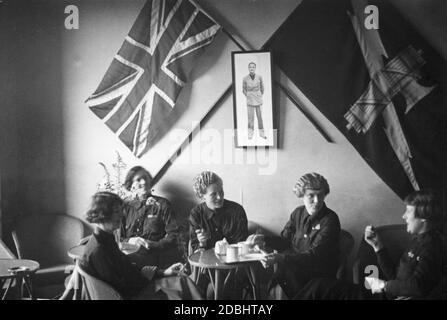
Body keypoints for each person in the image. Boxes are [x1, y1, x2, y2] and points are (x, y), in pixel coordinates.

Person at [295, 190, 445, 300]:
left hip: (386, 297)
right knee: (318, 285)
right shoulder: (418, 240)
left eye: (408, 212)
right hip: (384, 295)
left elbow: (418, 287)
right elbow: (396, 276)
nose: (404, 216)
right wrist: (377, 246)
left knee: (319, 289)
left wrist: (384, 286)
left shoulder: (433, 247)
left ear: (424, 218)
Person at [78, 191, 203, 300]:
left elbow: (128, 270)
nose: (121, 215)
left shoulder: (106, 240)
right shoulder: (98, 250)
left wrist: (164, 272)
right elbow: (121, 288)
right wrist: (153, 280)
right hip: (133, 295)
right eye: (116, 211)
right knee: (183, 284)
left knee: (183, 281)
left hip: (136, 288)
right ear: (103, 214)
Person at [250, 172, 341, 299]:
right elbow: (284, 241)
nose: (317, 201)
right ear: (301, 195)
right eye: (311, 196)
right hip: (294, 269)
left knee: (283, 273)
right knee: (280, 276)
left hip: (318, 276)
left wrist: (281, 258)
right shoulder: (297, 214)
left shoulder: (330, 219)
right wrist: (264, 240)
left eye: (320, 195)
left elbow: (315, 255)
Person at [189, 171, 249, 299]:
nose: (219, 197)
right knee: (207, 291)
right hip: (207, 270)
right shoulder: (196, 214)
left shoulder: (236, 211)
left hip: (234, 268)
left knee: (216, 291)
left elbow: (241, 244)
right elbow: (194, 252)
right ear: (202, 196)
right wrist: (201, 243)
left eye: (221, 192)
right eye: (213, 194)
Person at [120, 166, 181, 267]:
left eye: (146, 178)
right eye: (138, 179)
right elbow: (118, 237)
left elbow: (175, 235)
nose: (144, 182)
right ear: (131, 185)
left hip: (153, 256)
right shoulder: (125, 207)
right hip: (128, 254)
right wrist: (130, 241)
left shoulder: (163, 204)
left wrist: (155, 245)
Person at [242, 62, 267, 140]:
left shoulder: (259, 77)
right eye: (250, 67)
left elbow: (262, 88)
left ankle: (262, 134)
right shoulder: (245, 78)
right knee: (250, 118)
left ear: (255, 68)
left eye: (253, 67)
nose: (251, 68)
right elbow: (243, 90)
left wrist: (258, 95)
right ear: (248, 68)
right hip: (250, 100)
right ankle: (250, 134)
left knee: (260, 117)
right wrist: (249, 95)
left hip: (258, 99)